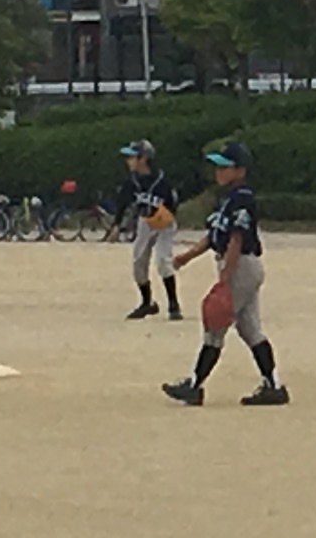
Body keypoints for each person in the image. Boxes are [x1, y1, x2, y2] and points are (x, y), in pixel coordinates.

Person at [165, 137, 286, 407]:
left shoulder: (242, 198)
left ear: (240, 171)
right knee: (250, 329)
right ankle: (273, 386)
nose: (219, 171)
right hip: (240, 266)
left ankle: (194, 386)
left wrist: (225, 279)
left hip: (240, 265)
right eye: (218, 166)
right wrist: (187, 257)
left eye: (225, 167)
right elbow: (213, 237)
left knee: (215, 327)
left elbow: (236, 239)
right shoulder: (227, 200)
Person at [119, 140, 183, 320]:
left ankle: (173, 304)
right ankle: (147, 303)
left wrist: (168, 215)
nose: (128, 161)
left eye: (132, 157)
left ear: (144, 158)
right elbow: (123, 201)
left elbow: (173, 202)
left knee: (163, 260)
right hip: (145, 222)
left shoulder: (161, 181)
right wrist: (118, 224)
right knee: (138, 261)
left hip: (164, 224)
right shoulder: (132, 180)